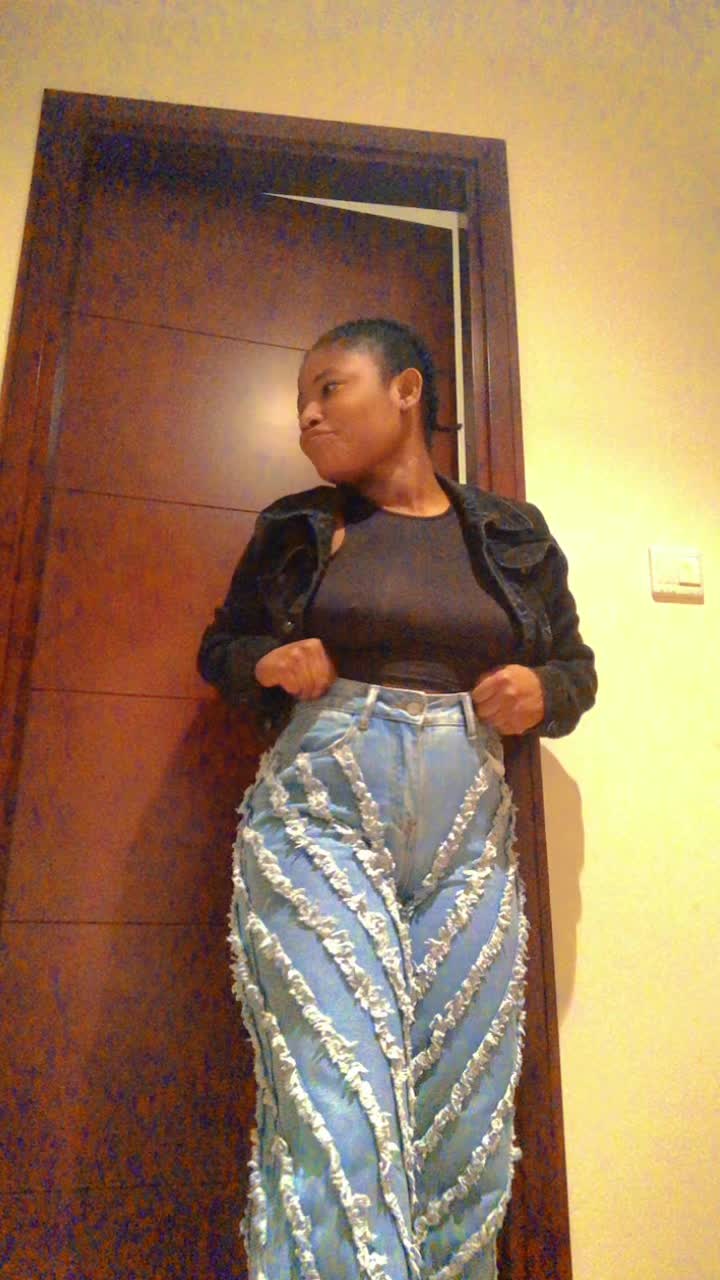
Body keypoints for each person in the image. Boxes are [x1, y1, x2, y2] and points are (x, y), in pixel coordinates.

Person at [197, 317, 596, 1280]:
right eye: (301, 400)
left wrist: (544, 691)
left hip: (471, 836)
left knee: (466, 1121)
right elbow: (222, 649)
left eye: (328, 388)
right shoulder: (295, 526)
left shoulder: (512, 532)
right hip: (320, 818)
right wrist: (269, 662)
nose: (307, 414)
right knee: (338, 1107)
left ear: (407, 390)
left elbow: (576, 669)